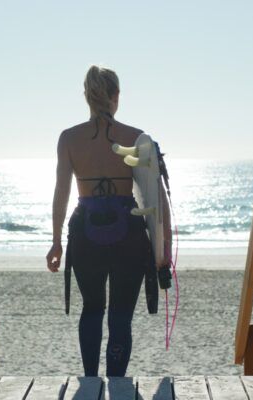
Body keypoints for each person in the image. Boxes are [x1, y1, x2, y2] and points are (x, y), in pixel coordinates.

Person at [46, 65, 172, 377]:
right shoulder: (137, 138)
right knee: (120, 315)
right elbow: (157, 200)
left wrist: (56, 242)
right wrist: (163, 251)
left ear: (87, 97)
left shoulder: (68, 139)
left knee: (91, 309)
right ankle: (116, 382)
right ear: (116, 96)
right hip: (128, 233)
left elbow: (61, 193)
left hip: (85, 232)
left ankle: (90, 382)